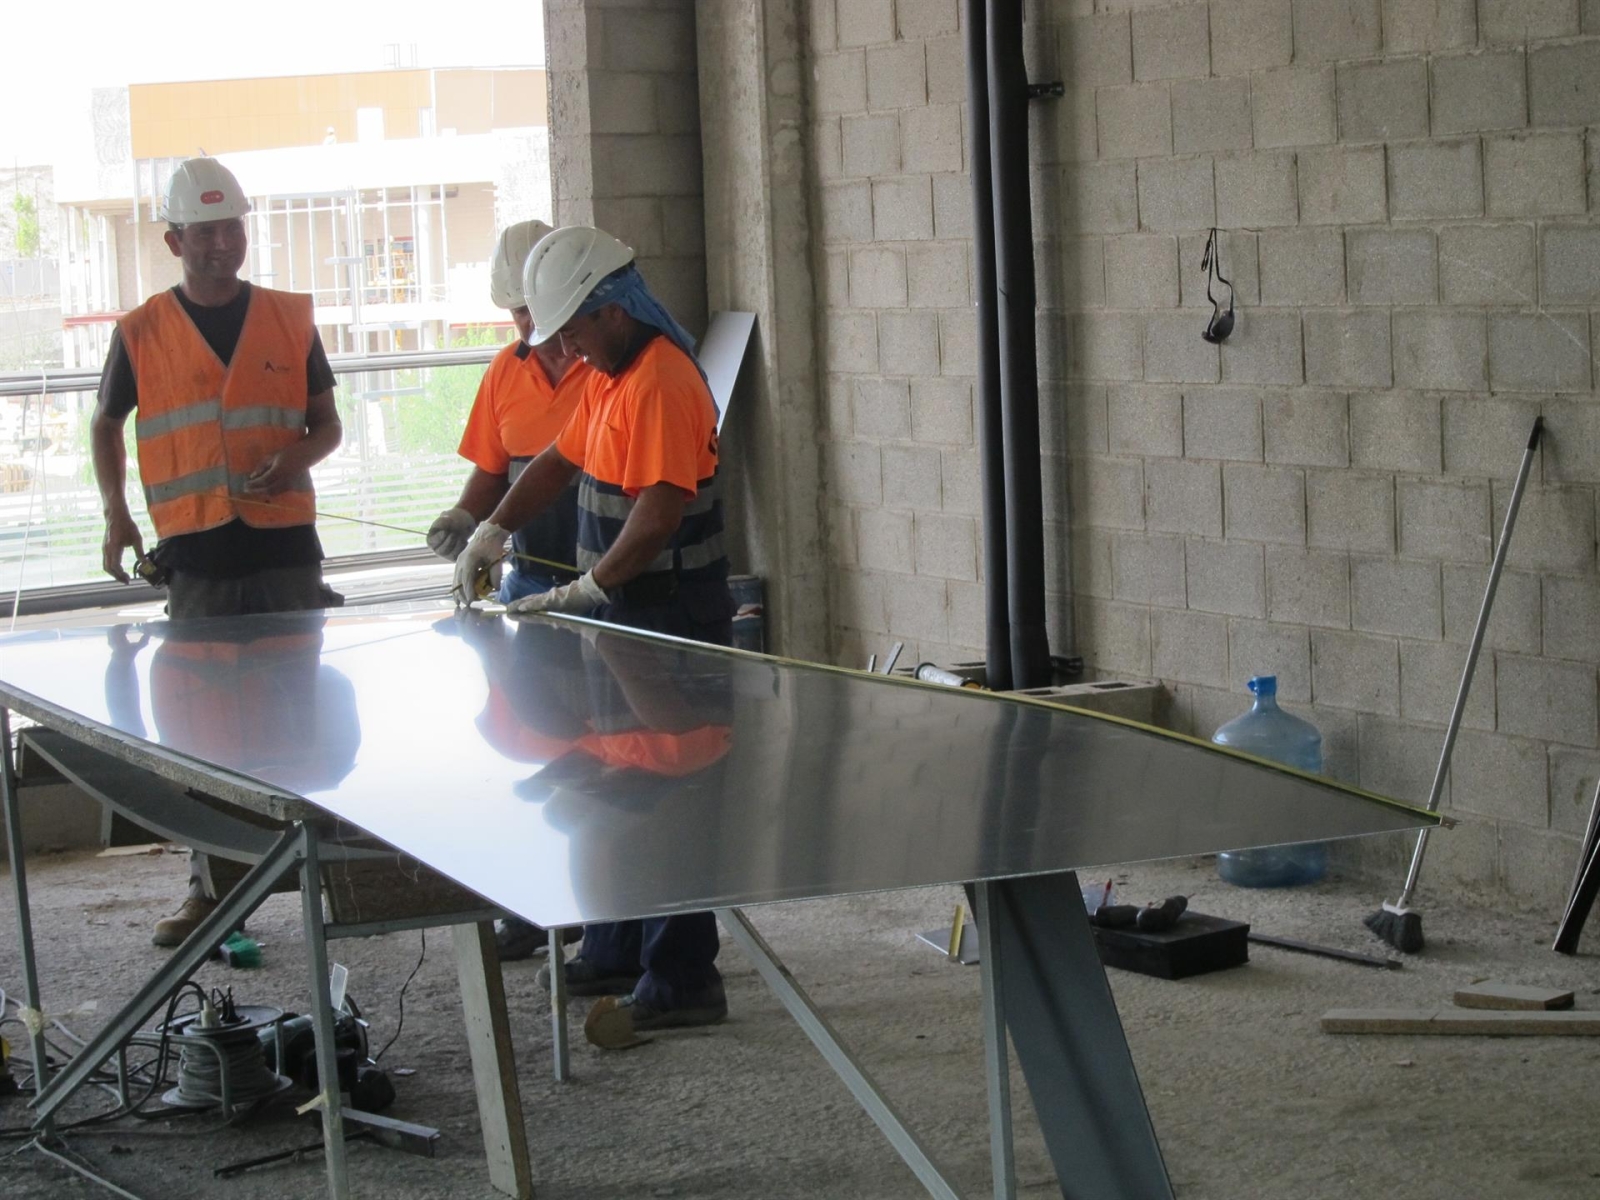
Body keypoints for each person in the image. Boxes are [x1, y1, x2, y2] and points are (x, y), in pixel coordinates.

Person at [452, 225, 734, 1039]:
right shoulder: (610, 376)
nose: (565, 347)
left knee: (670, 796)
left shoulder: (664, 382)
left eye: (571, 329)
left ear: (611, 310)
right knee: (617, 785)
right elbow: (555, 461)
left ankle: (683, 976)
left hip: (672, 616)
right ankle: (614, 943)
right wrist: (492, 530)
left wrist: (589, 587)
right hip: (626, 617)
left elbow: (659, 511)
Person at [91, 156, 343, 947]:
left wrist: (297, 458)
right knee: (201, 730)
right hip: (196, 555)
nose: (220, 245)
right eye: (204, 232)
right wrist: (116, 515)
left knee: (299, 710)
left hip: (284, 550)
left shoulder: (288, 317)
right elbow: (105, 424)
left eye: (231, 228)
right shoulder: (140, 332)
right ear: (174, 240)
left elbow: (326, 424)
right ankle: (211, 890)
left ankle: (322, 874)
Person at [427, 220, 591, 961]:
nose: (527, 328)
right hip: (530, 582)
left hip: (604, 584)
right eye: (516, 314)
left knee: (610, 756)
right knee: (537, 749)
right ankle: (538, 906)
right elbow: (495, 472)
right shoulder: (505, 372)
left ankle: (612, 910)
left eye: (533, 309)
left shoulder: (608, 368)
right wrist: (470, 519)